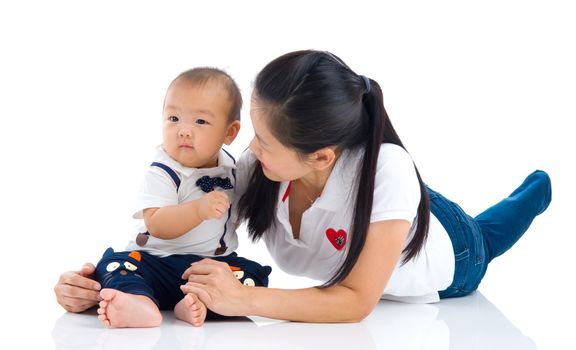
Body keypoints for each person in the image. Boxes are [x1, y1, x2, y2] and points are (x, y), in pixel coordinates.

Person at [55, 50, 551, 323]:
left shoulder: (388, 171)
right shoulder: (260, 166)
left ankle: (537, 189)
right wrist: (110, 279)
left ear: (319, 156)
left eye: (264, 141)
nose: (249, 148)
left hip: (453, 249)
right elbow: (175, 224)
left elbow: (356, 301)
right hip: (381, 198)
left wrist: (243, 300)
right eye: (252, 130)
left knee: (495, 230)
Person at [79, 67, 271, 328]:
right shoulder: (164, 171)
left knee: (252, 276)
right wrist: (198, 210)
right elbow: (157, 223)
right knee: (114, 266)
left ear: (230, 133)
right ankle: (139, 302)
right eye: (173, 118)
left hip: (209, 268)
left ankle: (197, 303)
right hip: (155, 263)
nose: (183, 131)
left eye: (200, 122)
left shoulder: (234, 170)